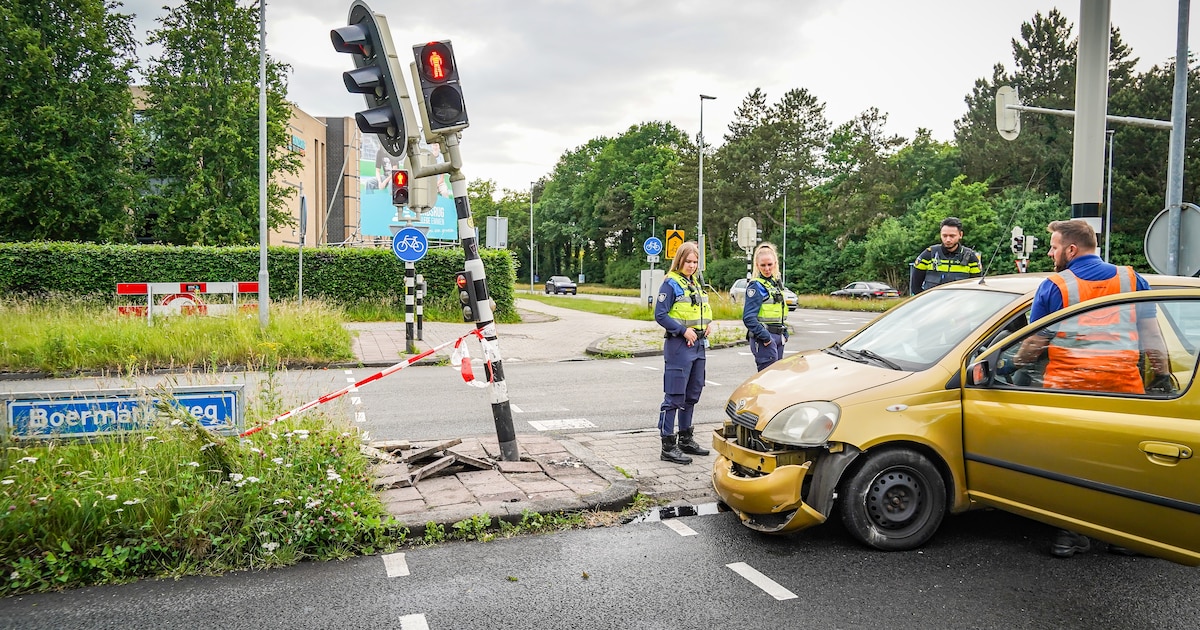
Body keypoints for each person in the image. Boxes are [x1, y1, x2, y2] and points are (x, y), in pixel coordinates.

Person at [1006, 219, 1171, 558]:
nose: (1051, 254)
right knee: (1124, 464)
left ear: (1071, 249)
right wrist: (1163, 376)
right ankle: (1124, 536)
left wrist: (1011, 365)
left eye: (1053, 247)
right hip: (1122, 390)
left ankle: (1070, 534)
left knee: (1070, 465)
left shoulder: (1055, 286)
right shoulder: (1131, 279)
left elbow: (1035, 342)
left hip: (1069, 391)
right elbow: (1153, 336)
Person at [654, 241, 713, 465]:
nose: (692, 265)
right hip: (679, 346)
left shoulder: (695, 282)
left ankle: (685, 439)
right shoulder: (671, 283)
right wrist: (682, 330)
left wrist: (708, 324)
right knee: (674, 396)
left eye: (695, 262)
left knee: (692, 394)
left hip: (698, 345)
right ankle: (667, 445)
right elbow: (660, 315)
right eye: (688, 261)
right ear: (679, 260)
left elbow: (702, 310)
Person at [742, 242, 788, 371]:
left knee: (776, 380)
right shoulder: (756, 286)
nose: (767, 269)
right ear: (757, 265)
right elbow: (749, 318)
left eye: (770, 265)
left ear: (775, 264)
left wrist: (784, 332)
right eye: (763, 265)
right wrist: (766, 337)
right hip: (765, 338)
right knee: (767, 382)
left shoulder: (775, 284)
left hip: (778, 336)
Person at [910, 217, 982, 294]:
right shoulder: (928, 255)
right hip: (934, 304)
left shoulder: (971, 258)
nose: (948, 239)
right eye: (944, 236)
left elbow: (976, 289)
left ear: (960, 235)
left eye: (952, 236)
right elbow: (915, 287)